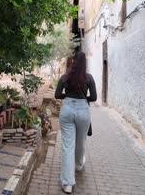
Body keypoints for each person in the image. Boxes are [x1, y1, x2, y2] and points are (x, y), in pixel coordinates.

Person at [55, 51, 97, 194]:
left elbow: (57, 95)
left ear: (73, 62)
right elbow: (94, 98)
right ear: (85, 64)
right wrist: (83, 98)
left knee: (68, 146)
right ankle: (78, 165)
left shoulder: (65, 77)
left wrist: (68, 95)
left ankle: (67, 184)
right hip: (83, 111)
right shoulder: (89, 78)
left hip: (66, 109)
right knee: (80, 142)